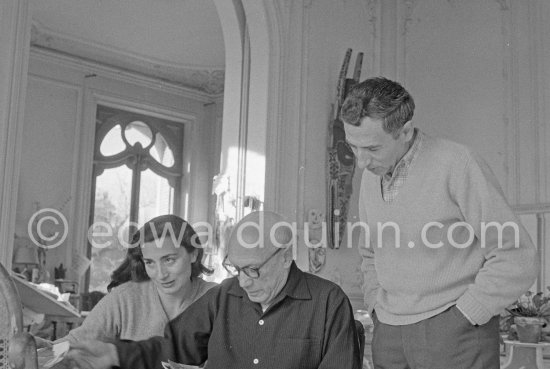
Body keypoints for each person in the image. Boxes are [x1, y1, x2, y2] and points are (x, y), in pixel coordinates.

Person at [340, 76, 538, 369]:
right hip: (389, 332)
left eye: (372, 148)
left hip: (455, 332)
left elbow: (517, 256)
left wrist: (465, 315)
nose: (361, 163)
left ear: (405, 131)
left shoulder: (458, 164)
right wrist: (376, 307)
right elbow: (370, 254)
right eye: (353, 147)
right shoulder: (372, 177)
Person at [63, 210, 361, 369]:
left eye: (253, 270)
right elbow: (174, 346)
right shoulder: (225, 295)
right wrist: (116, 354)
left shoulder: (327, 302)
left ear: (285, 257)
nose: (243, 282)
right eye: (236, 268)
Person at [60, 214, 216, 342]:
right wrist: (43, 350)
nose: (161, 274)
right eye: (150, 263)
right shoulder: (124, 299)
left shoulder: (218, 300)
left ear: (193, 254)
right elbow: (75, 343)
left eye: (169, 260)